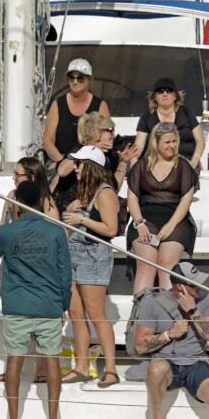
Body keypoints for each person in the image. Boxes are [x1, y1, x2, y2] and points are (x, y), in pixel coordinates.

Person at [0, 181, 71, 419]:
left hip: (17, 306)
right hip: (49, 305)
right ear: (42, 201)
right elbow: (65, 274)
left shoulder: (7, 232)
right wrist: (63, 306)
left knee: (14, 361)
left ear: (18, 202)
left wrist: (10, 221)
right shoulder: (56, 232)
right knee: (52, 361)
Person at [133, 262, 209, 419]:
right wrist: (169, 334)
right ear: (180, 286)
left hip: (196, 363)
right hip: (167, 363)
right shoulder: (152, 303)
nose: (200, 288)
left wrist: (193, 311)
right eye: (194, 285)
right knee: (156, 368)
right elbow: (139, 345)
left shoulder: (206, 300)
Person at [60, 146, 120, 386]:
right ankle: (82, 366)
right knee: (76, 313)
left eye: (79, 164)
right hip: (74, 255)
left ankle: (112, 370)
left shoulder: (105, 193)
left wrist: (81, 218)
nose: (75, 168)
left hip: (94, 256)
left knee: (96, 314)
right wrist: (70, 212)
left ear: (91, 166)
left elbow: (111, 229)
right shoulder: (84, 194)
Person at [127, 123, 198, 292]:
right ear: (156, 143)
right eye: (167, 142)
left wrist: (171, 225)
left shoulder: (183, 166)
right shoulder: (141, 165)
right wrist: (139, 222)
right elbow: (132, 198)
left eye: (175, 141)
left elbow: (186, 200)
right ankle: (142, 314)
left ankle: (169, 314)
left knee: (167, 264)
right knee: (146, 264)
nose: (172, 146)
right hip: (145, 219)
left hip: (176, 220)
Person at [50, 112, 136, 214]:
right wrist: (92, 148)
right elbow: (62, 171)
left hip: (88, 212)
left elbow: (113, 189)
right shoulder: (78, 150)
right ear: (96, 132)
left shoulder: (108, 157)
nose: (113, 135)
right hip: (66, 209)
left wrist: (123, 162)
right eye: (110, 131)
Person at [42, 59, 111, 168]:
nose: (75, 82)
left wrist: (85, 157)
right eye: (71, 78)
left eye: (80, 78)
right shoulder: (57, 104)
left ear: (89, 80)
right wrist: (63, 162)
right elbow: (47, 140)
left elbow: (106, 140)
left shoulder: (100, 105)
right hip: (60, 161)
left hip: (91, 162)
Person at [134, 78, 205, 170]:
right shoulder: (147, 115)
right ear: (154, 97)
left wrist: (193, 162)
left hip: (186, 162)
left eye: (169, 90)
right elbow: (139, 144)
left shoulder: (186, 111)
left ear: (175, 95)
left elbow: (200, 140)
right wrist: (134, 160)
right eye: (160, 91)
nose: (164, 94)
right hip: (156, 164)